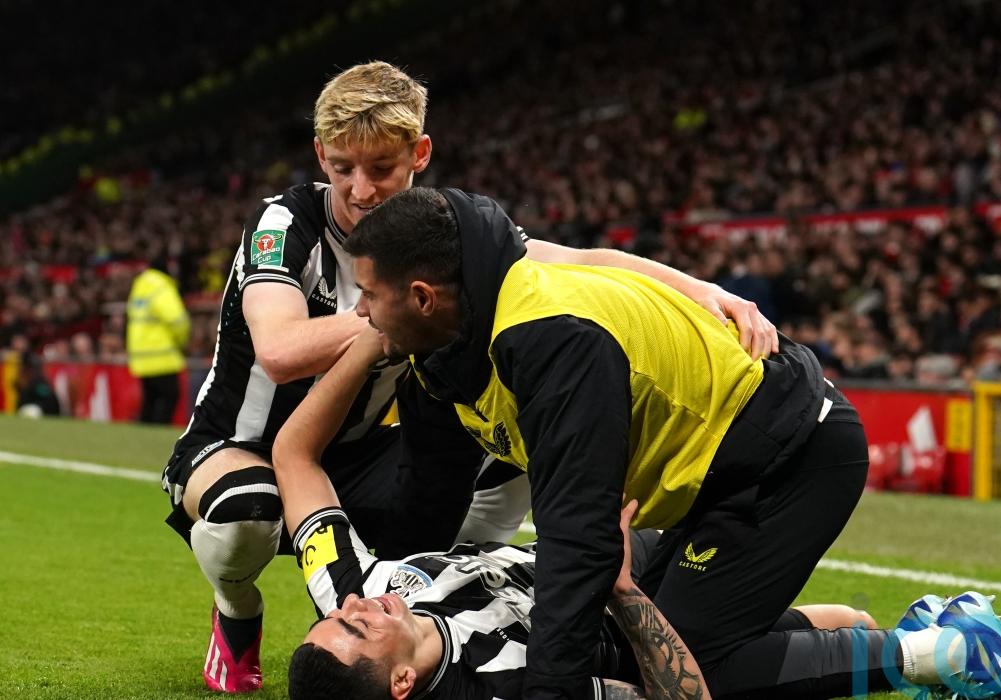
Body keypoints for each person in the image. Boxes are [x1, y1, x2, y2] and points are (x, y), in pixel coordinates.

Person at [161, 61, 778, 693]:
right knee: (247, 511)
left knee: (513, 439)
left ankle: (459, 606)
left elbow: (577, 262)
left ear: (420, 154)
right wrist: (385, 315)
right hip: (238, 443)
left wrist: (705, 290)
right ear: (320, 155)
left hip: (361, 449)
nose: (361, 189)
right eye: (342, 167)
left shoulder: (439, 230)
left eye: (381, 168)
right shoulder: (285, 223)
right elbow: (280, 350)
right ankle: (236, 609)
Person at [343, 187, 1001, 699]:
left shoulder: (547, 339)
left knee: (687, 664)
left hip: (790, 455)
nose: (361, 314)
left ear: (424, 295)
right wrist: (389, 598)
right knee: (642, 640)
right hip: (711, 470)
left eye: (369, 295)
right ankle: (906, 633)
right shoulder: (443, 351)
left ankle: (952, 652)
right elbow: (427, 512)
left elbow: (579, 537)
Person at [275, 329, 1001, 700]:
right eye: (356, 630)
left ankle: (922, 642)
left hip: (603, 540)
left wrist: (367, 338)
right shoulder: (502, 693)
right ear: (401, 683)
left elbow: (294, 460)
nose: (354, 607)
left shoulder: (359, 584)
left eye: (337, 615)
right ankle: (945, 649)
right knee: (717, 660)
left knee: (800, 620)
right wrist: (619, 590)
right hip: (619, 604)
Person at [126, 257, 190, 424]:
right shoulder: (162, 287)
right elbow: (177, 321)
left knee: (150, 399)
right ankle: (158, 432)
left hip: (141, 357)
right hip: (162, 356)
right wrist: (181, 342)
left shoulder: (140, 286)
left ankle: (144, 434)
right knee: (170, 396)